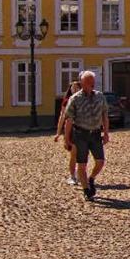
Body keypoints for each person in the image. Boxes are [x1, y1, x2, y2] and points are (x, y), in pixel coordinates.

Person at [63, 70, 110, 201]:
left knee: (100, 162)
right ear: (82, 83)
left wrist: (106, 133)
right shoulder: (75, 99)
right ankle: (86, 190)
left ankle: (91, 179)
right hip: (80, 134)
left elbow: (105, 116)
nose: (92, 84)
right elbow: (69, 120)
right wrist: (66, 139)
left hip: (95, 133)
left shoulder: (100, 97)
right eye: (89, 82)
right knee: (82, 164)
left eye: (93, 82)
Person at [54, 80, 82, 185]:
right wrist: (58, 133)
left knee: (83, 154)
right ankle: (72, 176)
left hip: (83, 129)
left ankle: (80, 174)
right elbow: (62, 117)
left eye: (77, 87)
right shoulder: (67, 101)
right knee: (74, 154)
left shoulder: (84, 99)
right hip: (71, 130)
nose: (74, 89)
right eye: (72, 87)